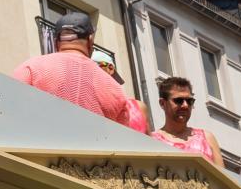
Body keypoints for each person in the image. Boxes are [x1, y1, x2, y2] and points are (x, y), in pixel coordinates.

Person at [12, 11, 145, 131]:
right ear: (90, 40)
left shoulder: (30, 68)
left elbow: (8, 109)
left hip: (36, 155)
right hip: (94, 157)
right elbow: (122, 140)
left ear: (56, 41)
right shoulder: (116, 90)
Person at [149, 76, 222, 164]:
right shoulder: (152, 140)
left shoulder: (207, 138)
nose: (185, 105)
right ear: (162, 103)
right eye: (179, 101)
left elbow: (224, 176)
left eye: (189, 101)